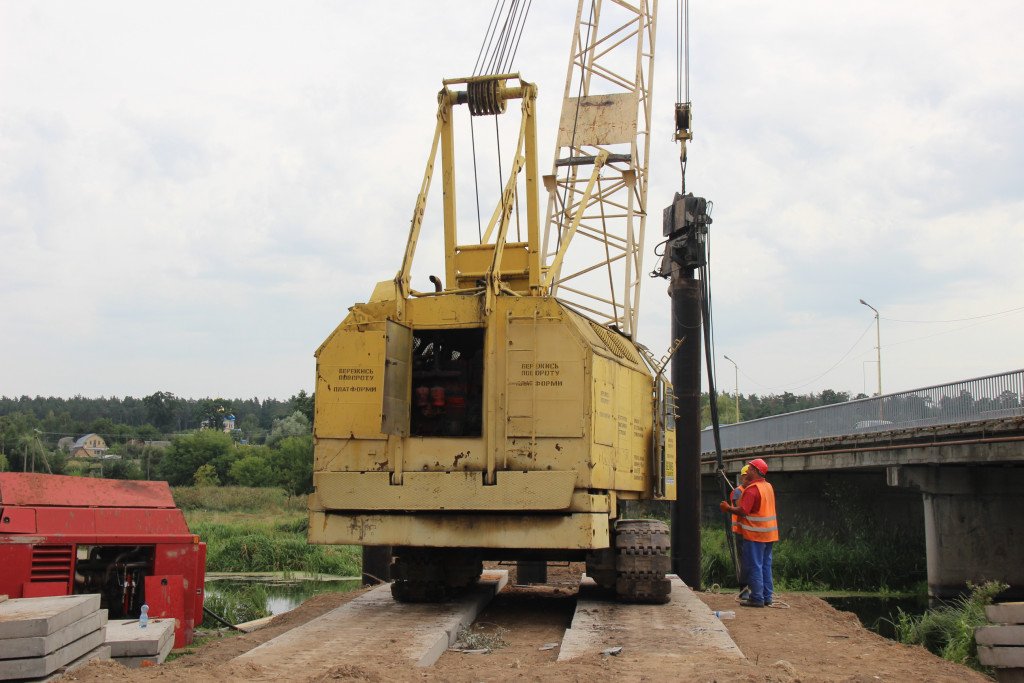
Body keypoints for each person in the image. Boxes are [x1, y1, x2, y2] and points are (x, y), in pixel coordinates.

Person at [719, 457, 778, 608]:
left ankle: (757, 598)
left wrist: (728, 508)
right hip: (769, 534)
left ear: (757, 472)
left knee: (755, 565)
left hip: (755, 535)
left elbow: (743, 510)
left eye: (751, 468)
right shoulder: (768, 487)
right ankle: (767, 597)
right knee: (765, 565)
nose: (748, 470)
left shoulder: (752, 489)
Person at [730, 465, 751, 600]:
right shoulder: (738, 492)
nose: (747, 479)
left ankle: (750, 589)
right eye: (745, 477)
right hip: (741, 532)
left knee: (750, 560)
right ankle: (744, 590)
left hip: (750, 532)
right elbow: (740, 509)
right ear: (742, 477)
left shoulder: (750, 490)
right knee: (744, 561)